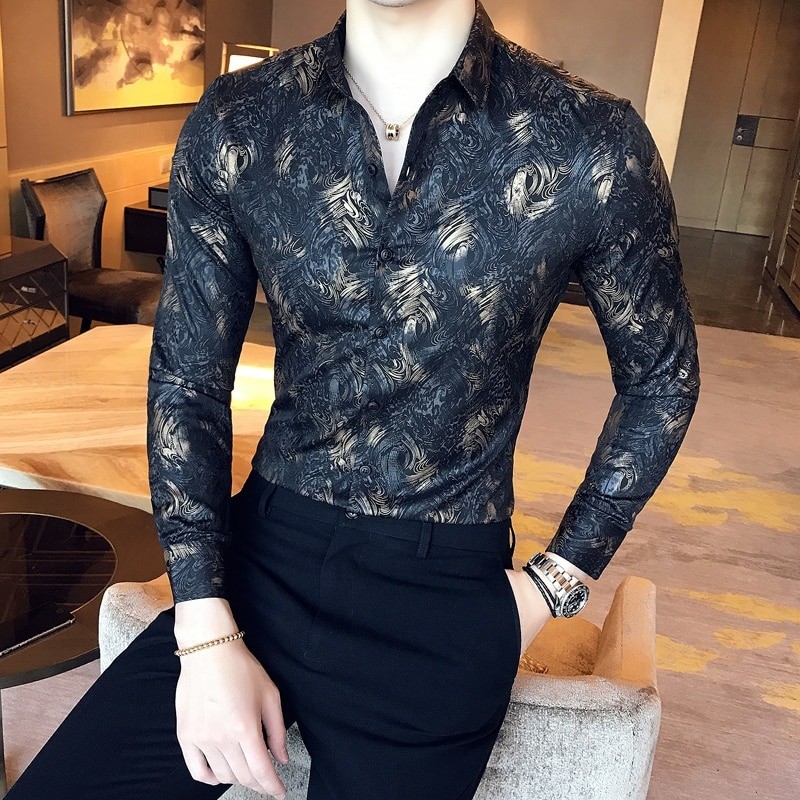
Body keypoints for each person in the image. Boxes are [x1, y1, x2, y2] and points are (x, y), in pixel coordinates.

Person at [7, 0, 700, 798]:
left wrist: (553, 584)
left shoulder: (589, 139)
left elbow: (662, 378)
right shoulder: (240, 120)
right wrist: (202, 625)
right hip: (263, 555)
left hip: (444, 596)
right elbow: (188, 381)